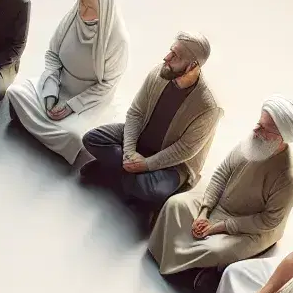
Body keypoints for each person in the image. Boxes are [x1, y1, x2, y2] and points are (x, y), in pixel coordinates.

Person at [149, 97, 293, 278]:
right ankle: (171, 257)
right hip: (220, 203)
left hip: (248, 227)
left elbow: (268, 222)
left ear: (281, 137)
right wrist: (204, 212)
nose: (255, 129)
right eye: (258, 123)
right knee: (175, 204)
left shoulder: (289, 178)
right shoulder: (253, 142)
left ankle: (188, 273)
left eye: (263, 128)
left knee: (214, 250)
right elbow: (221, 174)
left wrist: (219, 227)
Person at [80, 33, 222, 216]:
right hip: (141, 140)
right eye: (171, 51)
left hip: (173, 163)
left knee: (154, 190)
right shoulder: (159, 73)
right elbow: (136, 112)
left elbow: (185, 150)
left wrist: (146, 164)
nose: (166, 58)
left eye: (175, 56)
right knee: (92, 139)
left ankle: (114, 171)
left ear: (193, 65)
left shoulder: (209, 106)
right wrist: (130, 151)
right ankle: (127, 179)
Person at [7, 0, 129, 164]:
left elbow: (107, 84)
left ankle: (45, 129)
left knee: (73, 135)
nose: (82, 10)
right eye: (81, 2)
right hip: (57, 83)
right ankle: (41, 120)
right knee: (15, 93)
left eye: (90, 7)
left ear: (104, 11)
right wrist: (50, 95)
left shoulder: (117, 40)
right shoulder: (72, 18)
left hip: (86, 99)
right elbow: (52, 55)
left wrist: (71, 106)